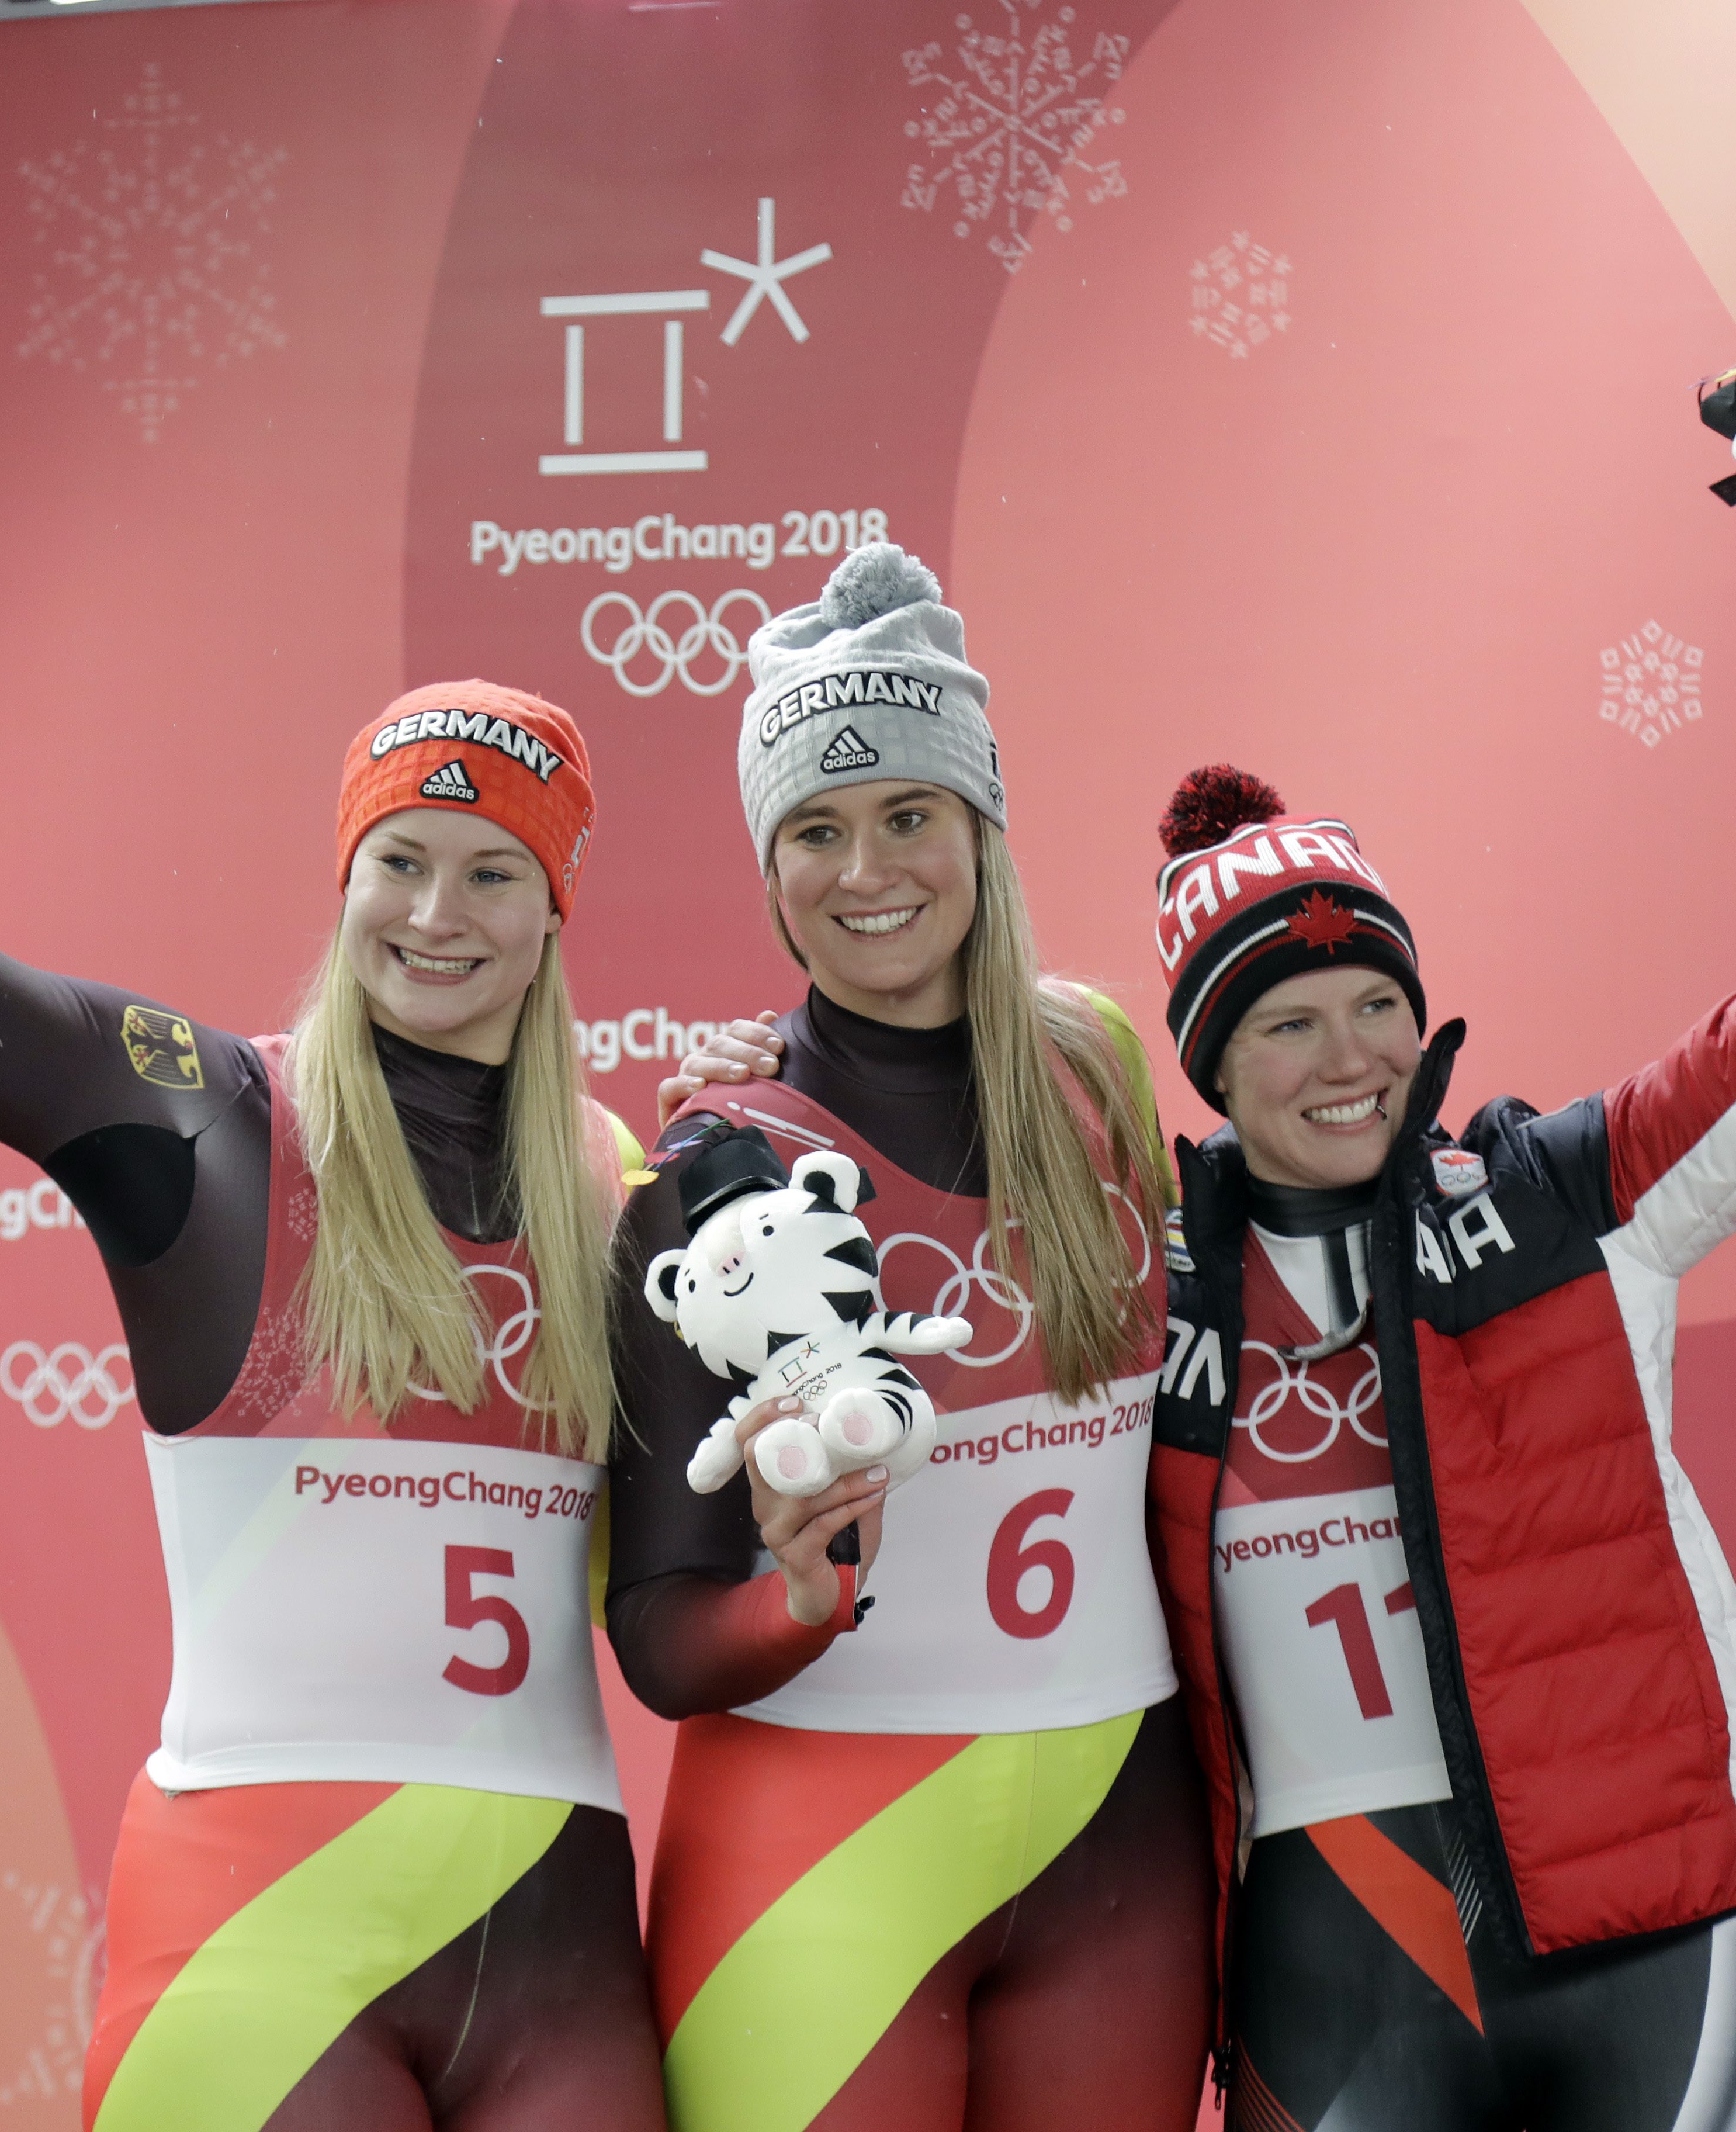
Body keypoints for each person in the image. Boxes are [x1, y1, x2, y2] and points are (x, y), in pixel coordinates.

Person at [0, 288, 665, 2132]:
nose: (439, 915)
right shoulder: (205, 1116)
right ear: (343, 877)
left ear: (555, 912)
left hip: (566, 1953)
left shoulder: (616, 1182)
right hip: (261, 1940)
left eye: (495, 873)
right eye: (400, 862)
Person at [1136, 570, 1736, 2131]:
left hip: (1654, 1948)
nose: (1351, 1059)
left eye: (1378, 1003)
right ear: (1211, 1062)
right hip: (1330, 1978)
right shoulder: (1150, 1285)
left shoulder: (1554, 1202)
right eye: (1288, 1024)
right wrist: (749, 1109)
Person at [607, 545, 1214, 2132]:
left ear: (981, 826)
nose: (866, 870)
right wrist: (798, 1604)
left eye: (908, 816)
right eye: (815, 828)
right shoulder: (718, 1161)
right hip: (815, 1864)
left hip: (1120, 1854)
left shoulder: (1096, 1066)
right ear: (769, 866)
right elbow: (659, 1631)